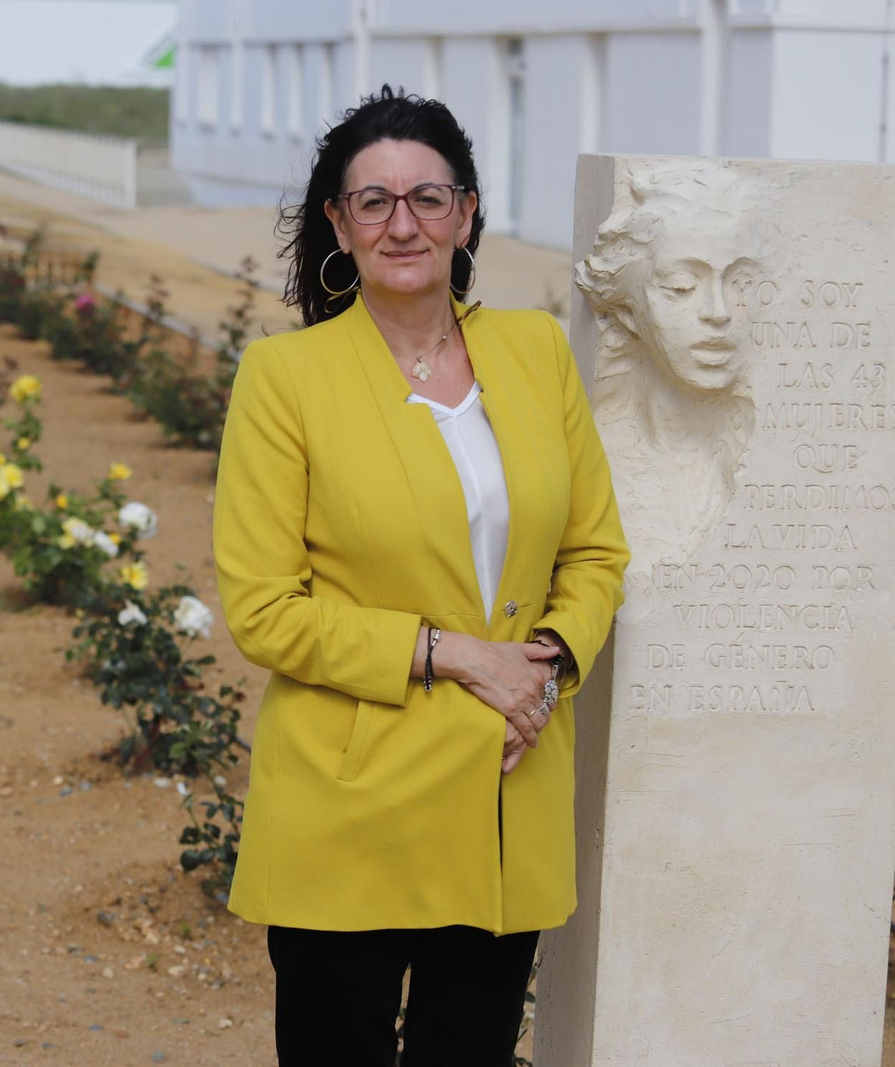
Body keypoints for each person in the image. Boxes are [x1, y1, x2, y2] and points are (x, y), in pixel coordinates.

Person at [212, 86, 630, 1065]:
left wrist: (542, 670)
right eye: (374, 201)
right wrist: (461, 657)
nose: (403, 224)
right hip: (349, 800)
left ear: (467, 212)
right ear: (339, 223)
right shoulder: (284, 379)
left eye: (427, 198)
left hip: (505, 785)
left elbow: (594, 551)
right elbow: (265, 609)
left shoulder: (536, 352)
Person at [576, 160, 769, 592]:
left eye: (742, 284)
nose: (718, 312)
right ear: (628, 311)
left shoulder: (777, 455)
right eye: (682, 286)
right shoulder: (594, 462)